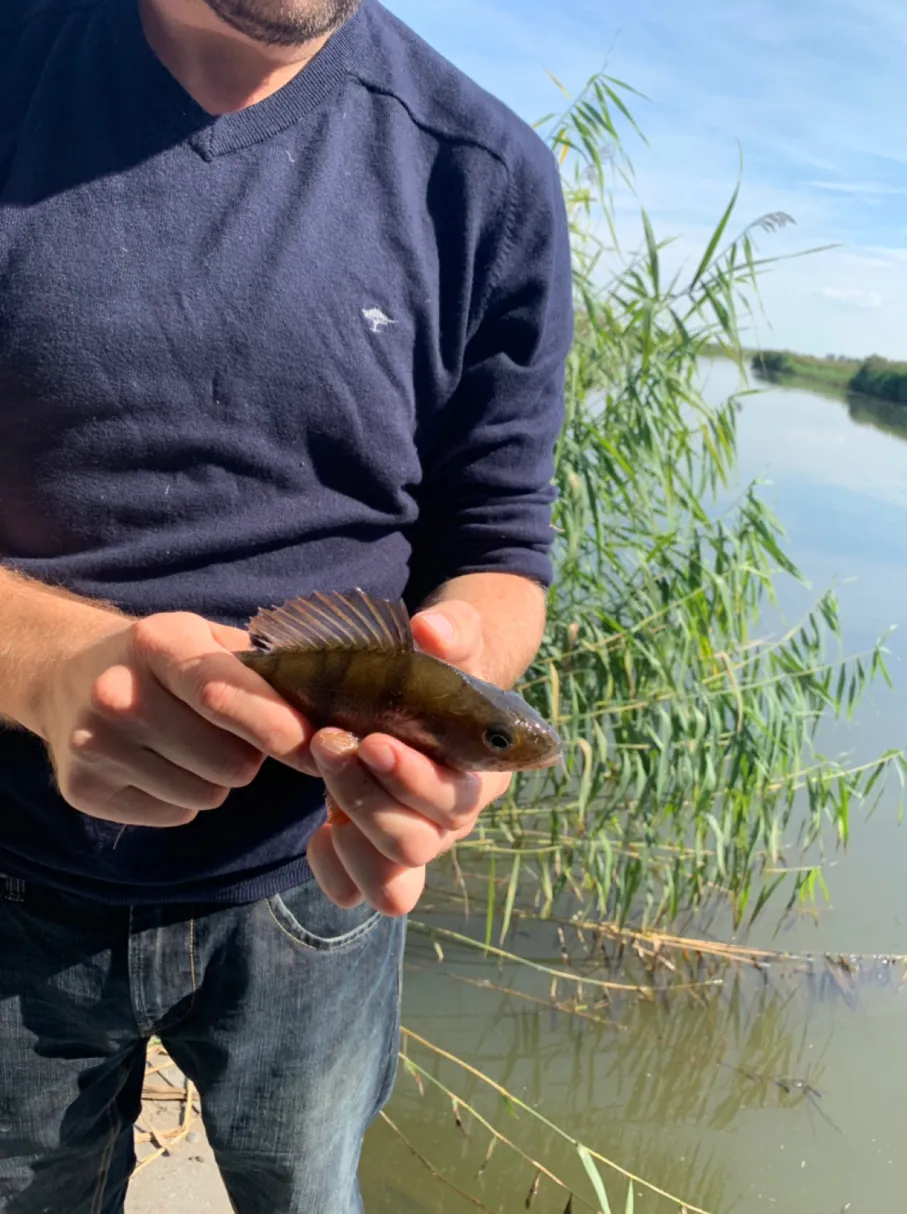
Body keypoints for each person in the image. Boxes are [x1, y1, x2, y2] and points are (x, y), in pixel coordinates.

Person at [0, 0, 573, 1210]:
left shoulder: (488, 174)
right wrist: (48, 669)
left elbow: (502, 549)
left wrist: (467, 660)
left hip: (318, 889)